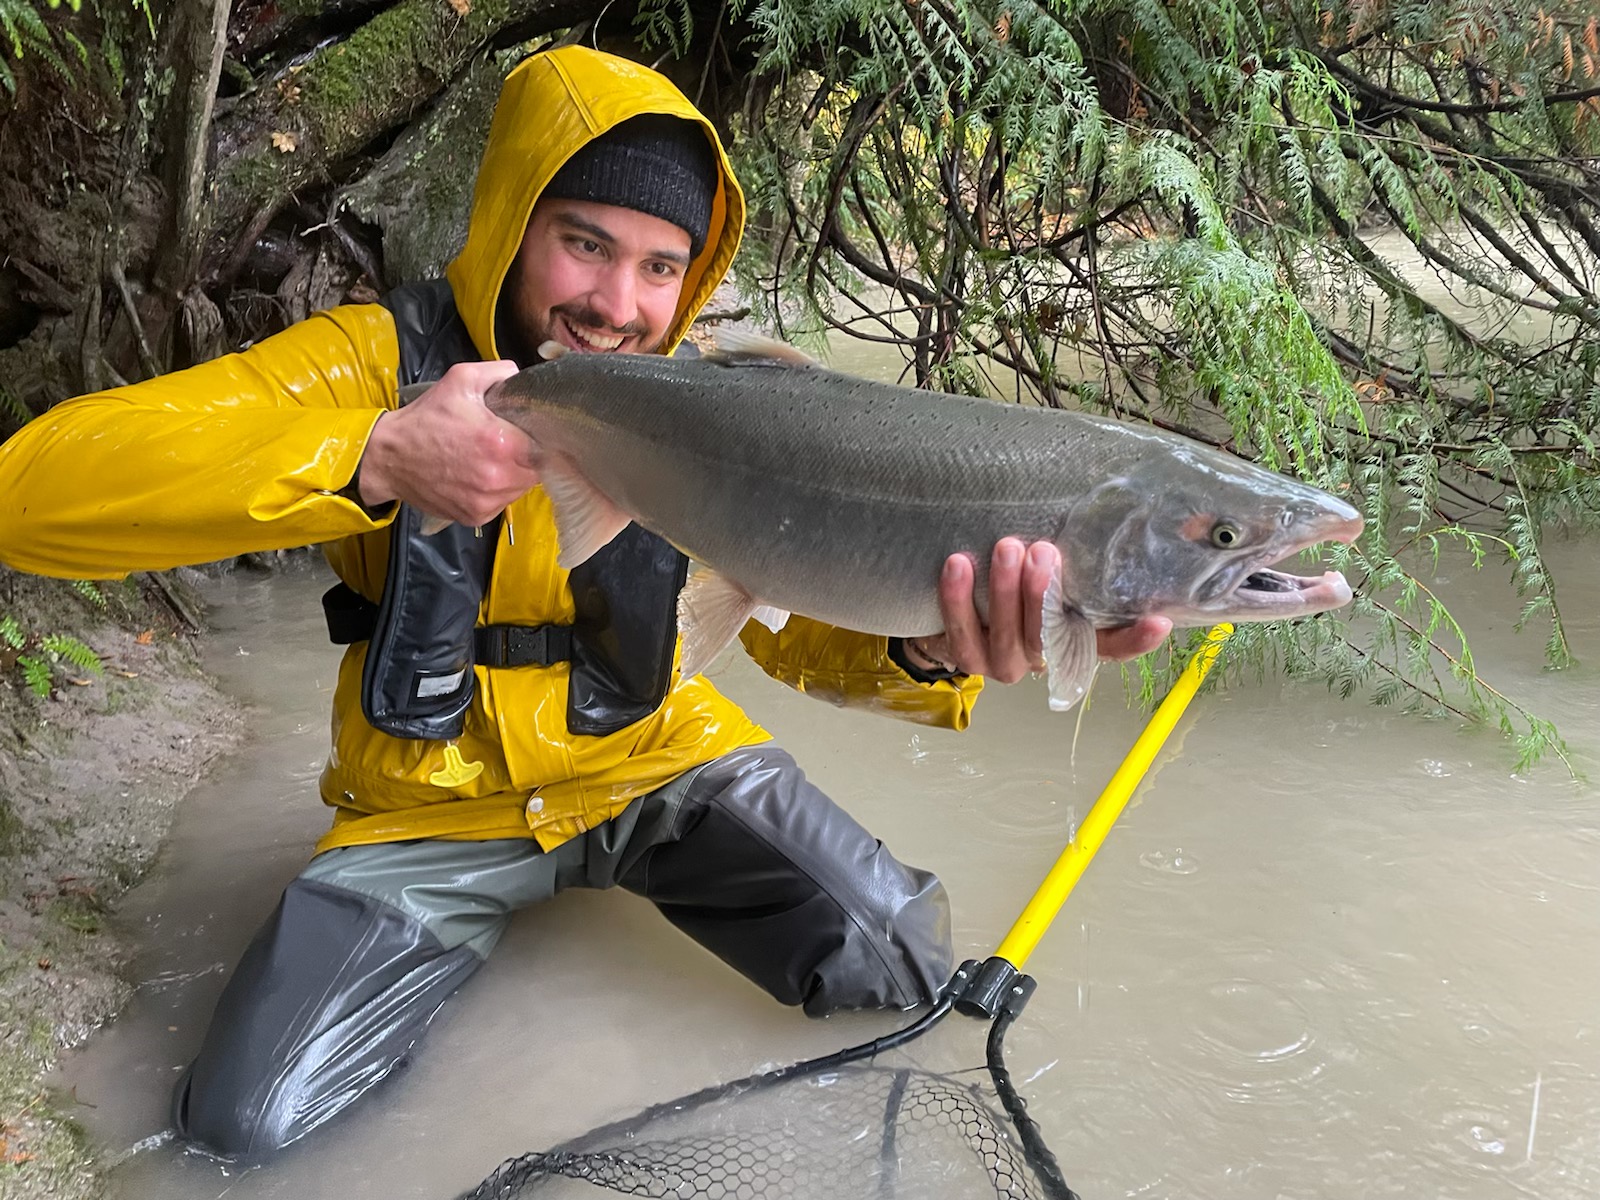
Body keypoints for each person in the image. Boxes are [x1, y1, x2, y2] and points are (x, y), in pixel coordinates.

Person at [0, 45, 1168, 1160]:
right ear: (512, 226)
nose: (619, 303)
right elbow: (33, 490)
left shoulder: (719, 403)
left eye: (661, 267)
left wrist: (927, 650)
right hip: (430, 809)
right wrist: (375, 456)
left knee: (904, 965)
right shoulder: (368, 363)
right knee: (240, 1132)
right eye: (584, 244)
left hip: (654, 763)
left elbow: (809, 638)